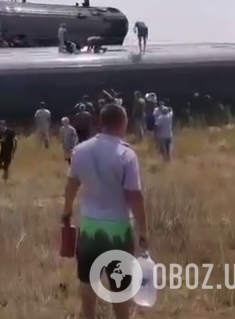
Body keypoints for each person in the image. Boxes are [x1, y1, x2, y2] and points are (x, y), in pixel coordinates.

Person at [62, 103, 149, 319]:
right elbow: (134, 196)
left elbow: (72, 183)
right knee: (120, 286)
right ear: (124, 122)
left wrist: (67, 211)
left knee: (87, 282)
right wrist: (143, 231)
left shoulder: (80, 150)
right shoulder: (126, 154)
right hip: (118, 228)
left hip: (89, 227)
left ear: (100, 122)